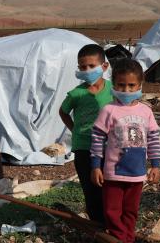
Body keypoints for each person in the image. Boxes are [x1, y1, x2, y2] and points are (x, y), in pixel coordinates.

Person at [90, 58, 160, 243]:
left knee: (131, 210)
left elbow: (153, 139)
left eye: (131, 85)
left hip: (137, 173)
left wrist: (155, 165)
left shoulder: (146, 111)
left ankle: (126, 238)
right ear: (113, 84)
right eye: (121, 85)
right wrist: (96, 166)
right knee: (112, 211)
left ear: (140, 85)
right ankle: (121, 238)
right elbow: (97, 139)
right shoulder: (109, 110)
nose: (126, 90)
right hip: (113, 173)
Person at [59, 44, 113, 223]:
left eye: (91, 66)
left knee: (110, 187)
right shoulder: (77, 94)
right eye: (82, 67)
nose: (87, 70)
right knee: (91, 189)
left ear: (104, 67)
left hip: (110, 146)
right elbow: (63, 111)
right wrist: (75, 129)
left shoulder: (114, 90)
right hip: (84, 147)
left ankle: (112, 223)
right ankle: (97, 227)